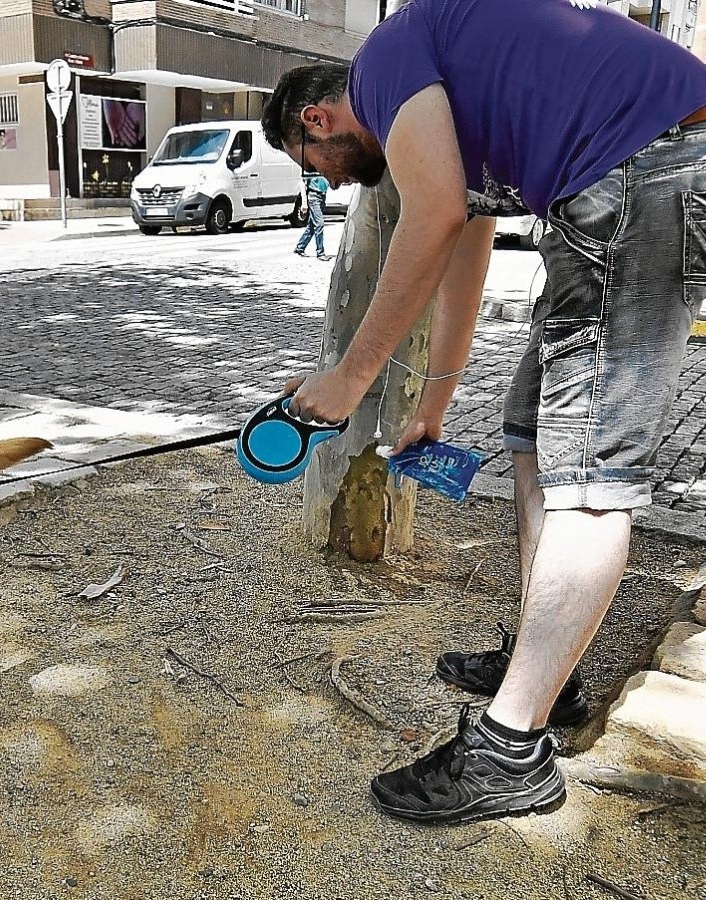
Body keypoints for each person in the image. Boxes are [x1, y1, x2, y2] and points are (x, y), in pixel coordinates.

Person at [260, 0, 706, 825]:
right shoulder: (446, 109)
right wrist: (433, 402)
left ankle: (510, 753)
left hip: (647, 170)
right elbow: (460, 238)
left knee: (588, 476)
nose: (324, 182)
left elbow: (427, 221)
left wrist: (351, 378)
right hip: (614, 183)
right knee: (534, 434)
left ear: (317, 117)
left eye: (309, 161)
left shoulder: (386, 60)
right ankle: (551, 678)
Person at [294, 174, 332, 260]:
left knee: (312, 226)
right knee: (319, 224)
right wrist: (304, 202)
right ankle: (320, 252)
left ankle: (300, 247)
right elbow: (302, 182)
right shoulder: (312, 166)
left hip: (322, 196)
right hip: (314, 196)